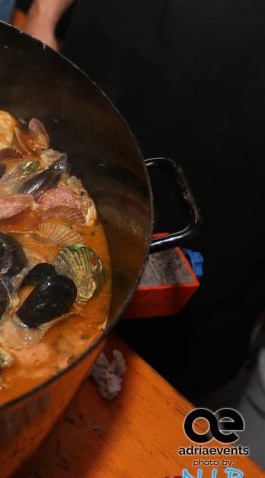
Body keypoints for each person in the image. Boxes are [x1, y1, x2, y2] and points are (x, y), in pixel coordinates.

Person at [22, 0, 265, 396]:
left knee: (190, 341)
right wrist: (44, 14)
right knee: (71, 168)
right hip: (114, 39)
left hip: (245, 99)